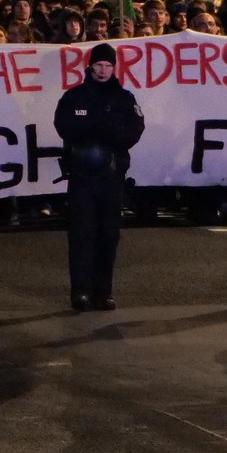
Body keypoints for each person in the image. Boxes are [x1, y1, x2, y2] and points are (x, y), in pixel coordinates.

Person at [54, 43, 143, 311]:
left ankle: (103, 292)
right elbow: (63, 126)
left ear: (114, 68)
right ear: (90, 67)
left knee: (108, 235)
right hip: (81, 177)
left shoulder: (124, 98)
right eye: (99, 65)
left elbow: (134, 131)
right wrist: (92, 123)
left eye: (108, 66)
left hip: (112, 178)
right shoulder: (74, 97)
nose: (103, 70)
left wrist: (107, 128)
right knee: (82, 235)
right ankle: (80, 292)